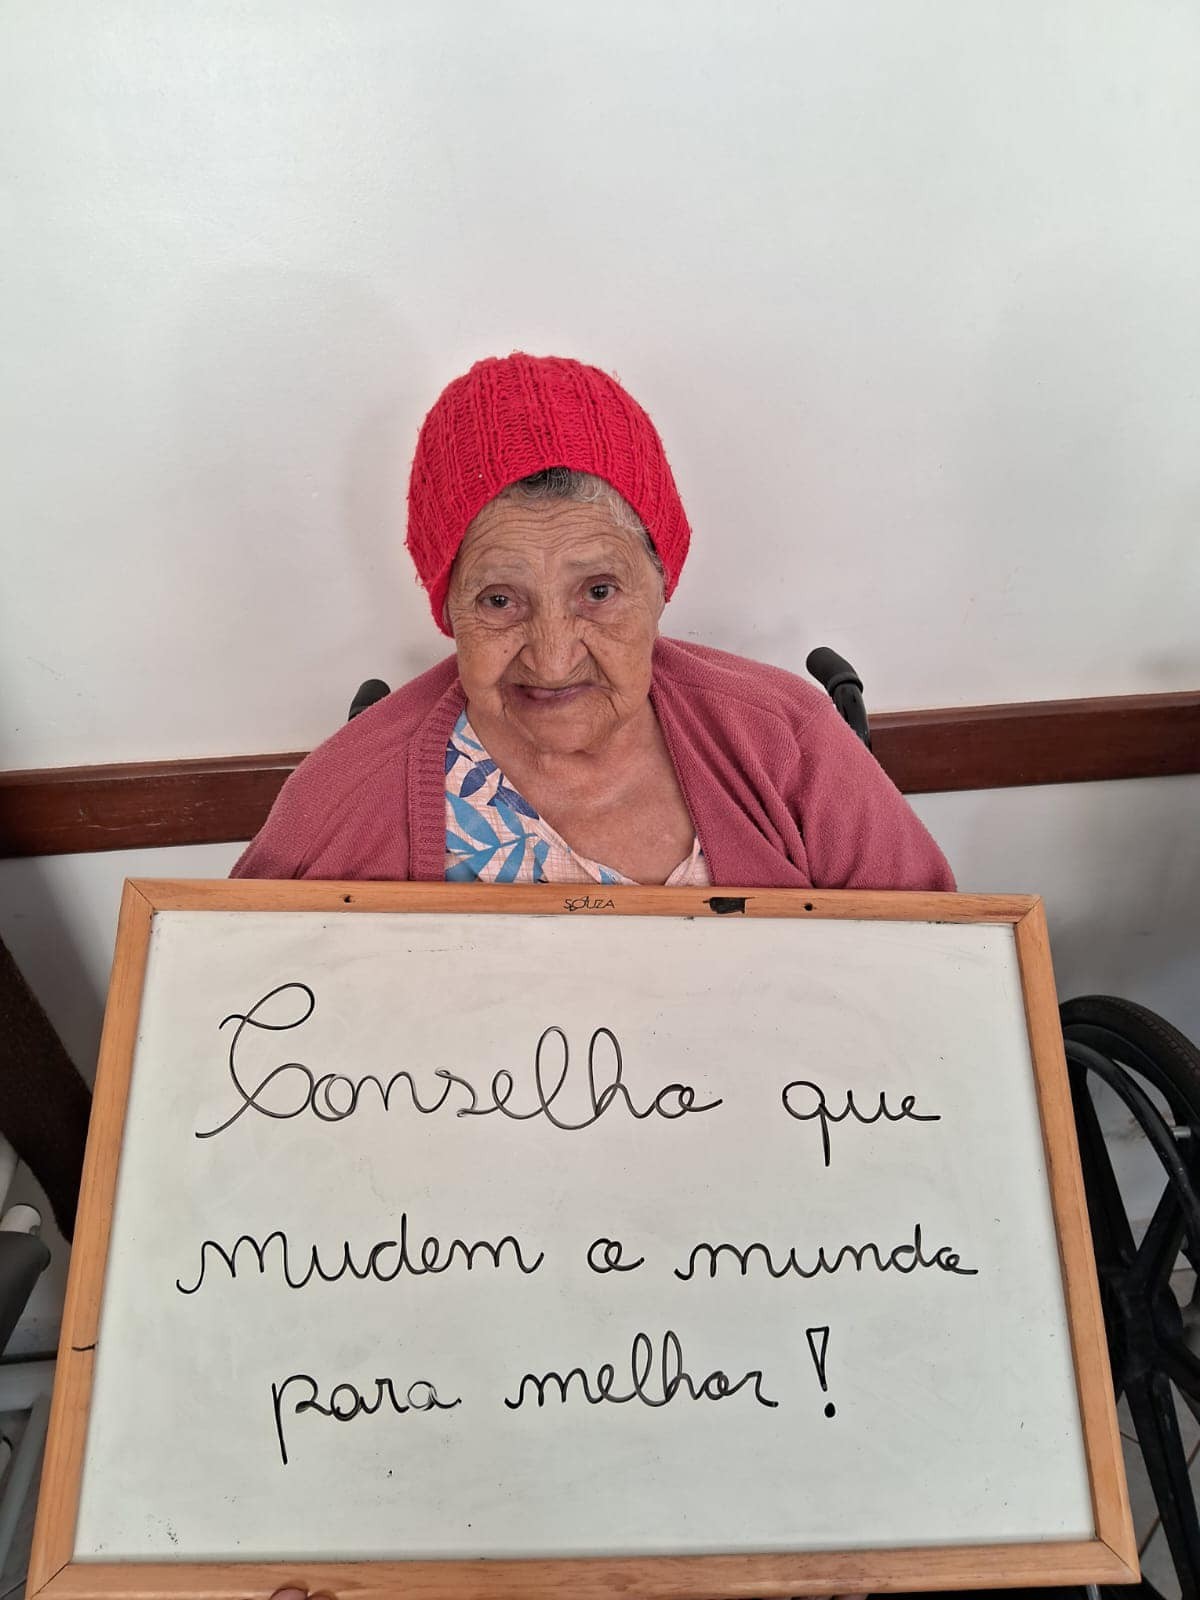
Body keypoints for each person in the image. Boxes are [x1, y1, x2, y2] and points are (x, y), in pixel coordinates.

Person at [233, 352, 952, 892]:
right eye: (499, 601)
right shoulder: (342, 796)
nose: (551, 660)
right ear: (448, 606)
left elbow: (938, 973)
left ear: (662, 582)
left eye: (599, 591)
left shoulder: (789, 745)